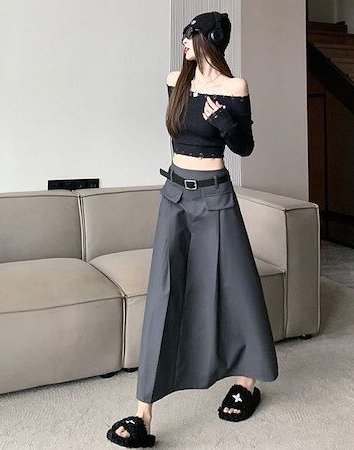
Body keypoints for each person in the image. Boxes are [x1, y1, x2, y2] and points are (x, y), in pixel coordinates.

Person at [106, 11, 278, 448]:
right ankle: (143, 413)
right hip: (175, 197)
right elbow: (179, 133)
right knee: (164, 292)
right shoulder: (175, 81)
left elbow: (245, 146)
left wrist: (223, 122)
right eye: (185, 34)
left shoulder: (234, 88)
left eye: (191, 34)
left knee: (236, 287)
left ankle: (246, 381)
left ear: (209, 40)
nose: (184, 41)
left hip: (215, 196)